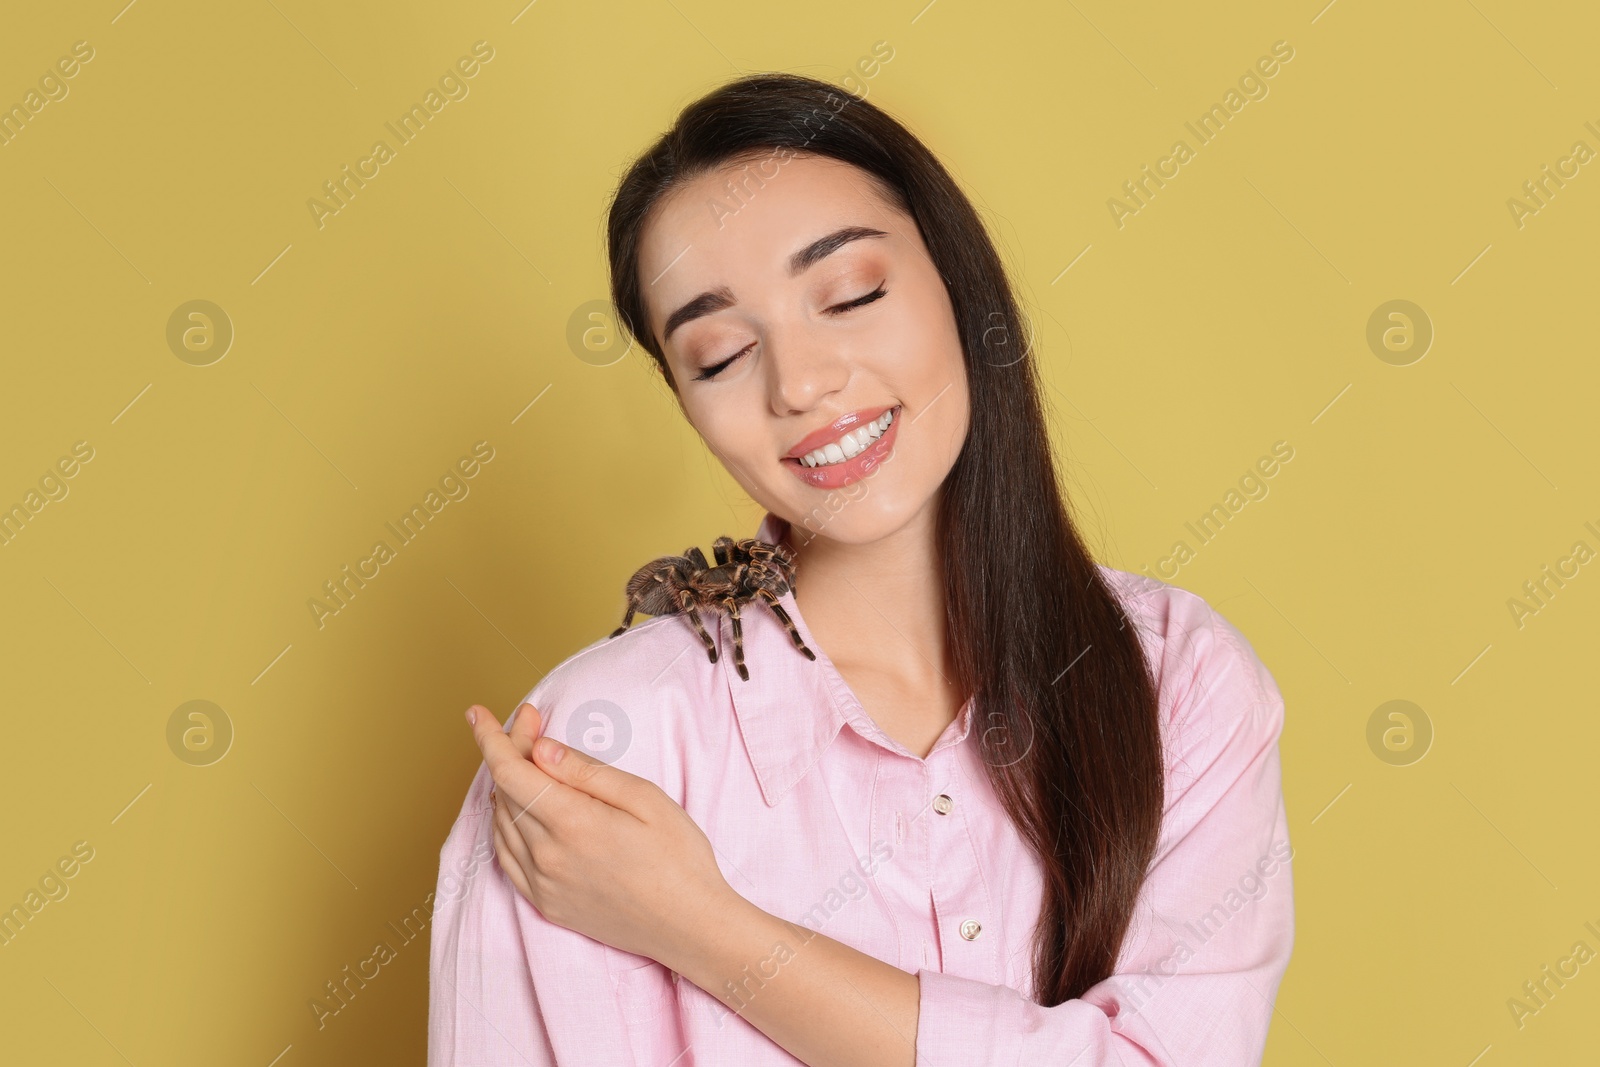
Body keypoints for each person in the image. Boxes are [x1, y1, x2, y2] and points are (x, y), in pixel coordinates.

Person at [428, 71, 1294, 1067]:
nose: (801, 382)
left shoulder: (1176, 680)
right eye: (717, 355)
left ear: (959, 284)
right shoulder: (597, 757)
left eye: (850, 294)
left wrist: (701, 925)